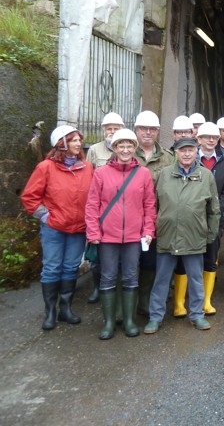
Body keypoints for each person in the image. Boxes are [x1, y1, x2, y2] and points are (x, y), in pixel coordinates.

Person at [84, 128, 156, 339]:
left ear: (135, 148)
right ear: (114, 149)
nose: (125, 150)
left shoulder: (143, 174)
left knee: (131, 277)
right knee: (107, 277)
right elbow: (92, 205)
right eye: (121, 146)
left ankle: (129, 320)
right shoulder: (101, 174)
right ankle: (108, 323)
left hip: (134, 237)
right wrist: (93, 232)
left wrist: (148, 230)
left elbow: (149, 206)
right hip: (107, 236)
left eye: (129, 146)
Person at [144, 138, 220, 333]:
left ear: (197, 151)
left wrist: (209, 234)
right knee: (161, 279)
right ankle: (155, 317)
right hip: (167, 235)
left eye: (191, 150)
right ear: (176, 152)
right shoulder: (164, 175)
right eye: (182, 150)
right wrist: (156, 228)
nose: (187, 154)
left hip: (194, 236)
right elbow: (154, 205)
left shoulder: (206, 176)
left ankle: (197, 315)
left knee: (195, 278)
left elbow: (214, 210)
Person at [22, 125, 93, 330]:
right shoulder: (46, 167)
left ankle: (65, 309)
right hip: (54, 228)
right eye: (73, 140)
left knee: (71, 268)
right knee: (52, 268)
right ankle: (50, 312)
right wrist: (46, 216)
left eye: (79, 140)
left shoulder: (87, 168)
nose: (79, 144)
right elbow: (29, 197)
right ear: (61, 144)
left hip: (78, 229)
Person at [173, 122, 224, 317]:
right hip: (189, 218)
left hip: (214, 219)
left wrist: (215, 207)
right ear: (198, 139)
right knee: (184, 258)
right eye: (207, 137)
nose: (211, 140)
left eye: (214, 138)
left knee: (210, 258)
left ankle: (206, 301)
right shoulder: (189, 160)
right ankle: (180, 303)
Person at [132, 110, 174, 316]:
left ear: (157, 131)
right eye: (143, 129)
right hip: (129, 219)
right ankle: (126, 305)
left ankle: (145, 301)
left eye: (152, 129)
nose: (148, 133)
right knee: (128, 261)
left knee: (151, 262)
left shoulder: (168, 157)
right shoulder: (125, 152)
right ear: (136, 130)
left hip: (157, 219)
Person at [85, 111, 126, 304]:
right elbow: (88, 177)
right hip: (101, 209)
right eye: (108, 128)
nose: (112, 131)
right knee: (97, 254)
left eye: (115, 128)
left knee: (119, 257)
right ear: (103, 130)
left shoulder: (126, 149)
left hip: (122, 209)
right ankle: (96, 287)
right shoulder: (94, 150)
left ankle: (115, 289)